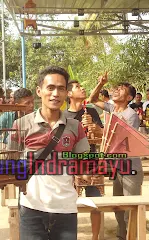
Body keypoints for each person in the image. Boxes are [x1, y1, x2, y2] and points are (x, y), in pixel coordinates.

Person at [7, 66, 90, 240]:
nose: (55, 94)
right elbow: (10, 162)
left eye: (61, 88)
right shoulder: (21, 125)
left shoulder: (75, 127)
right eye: (50, 88)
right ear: (39, 91)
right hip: (31, 207)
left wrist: (86, 172)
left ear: (67, 92)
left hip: (65, 207)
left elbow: (84, 163)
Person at [89, 73, 143, 240]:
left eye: (121, 90)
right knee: (118, 206)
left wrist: (100, 130)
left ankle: (132, 236)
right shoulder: (112, 109)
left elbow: (124, 138)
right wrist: (100, 83)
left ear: (129, 97)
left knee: (130, 208)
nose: (117, 90)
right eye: (116, 88)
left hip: (130, 168)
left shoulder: (130, 115)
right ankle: (122, 235)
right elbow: (92, 98)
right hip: (117, 167)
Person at [64, 80, 103, 240]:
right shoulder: (64, 116)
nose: (83, 88)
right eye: (78, 87)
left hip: (92, 162)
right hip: (71, 164)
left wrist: (95, 128)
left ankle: (95, 237)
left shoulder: (91, 111)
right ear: (69, 94)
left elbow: (102, 136)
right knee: (68, 205)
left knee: (96, 204)